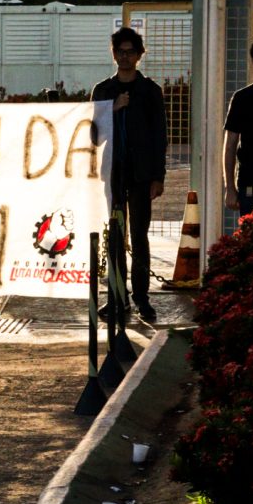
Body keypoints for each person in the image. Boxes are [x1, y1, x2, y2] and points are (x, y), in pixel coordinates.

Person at [91, 27, 167, 323]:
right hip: (113, 173)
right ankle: (117, 298)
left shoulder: (150, 91)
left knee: (139, 235)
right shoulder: (103, 90)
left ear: (139, 55)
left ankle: (141, 298)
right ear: (114, 54)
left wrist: (158, 176)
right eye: (120, 52)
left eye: (130, 52)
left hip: (141, 175)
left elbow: (159, 136)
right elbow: (93, 134)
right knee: (115, 238)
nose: (125, 57)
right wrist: (112, 109)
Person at [223, 39, 253, 217]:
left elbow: (230, 145)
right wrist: (230, 187)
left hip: (249, 185)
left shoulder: (242, 98)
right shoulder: (242, 98)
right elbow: (229, 145)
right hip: (250, 184)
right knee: (249, 240)